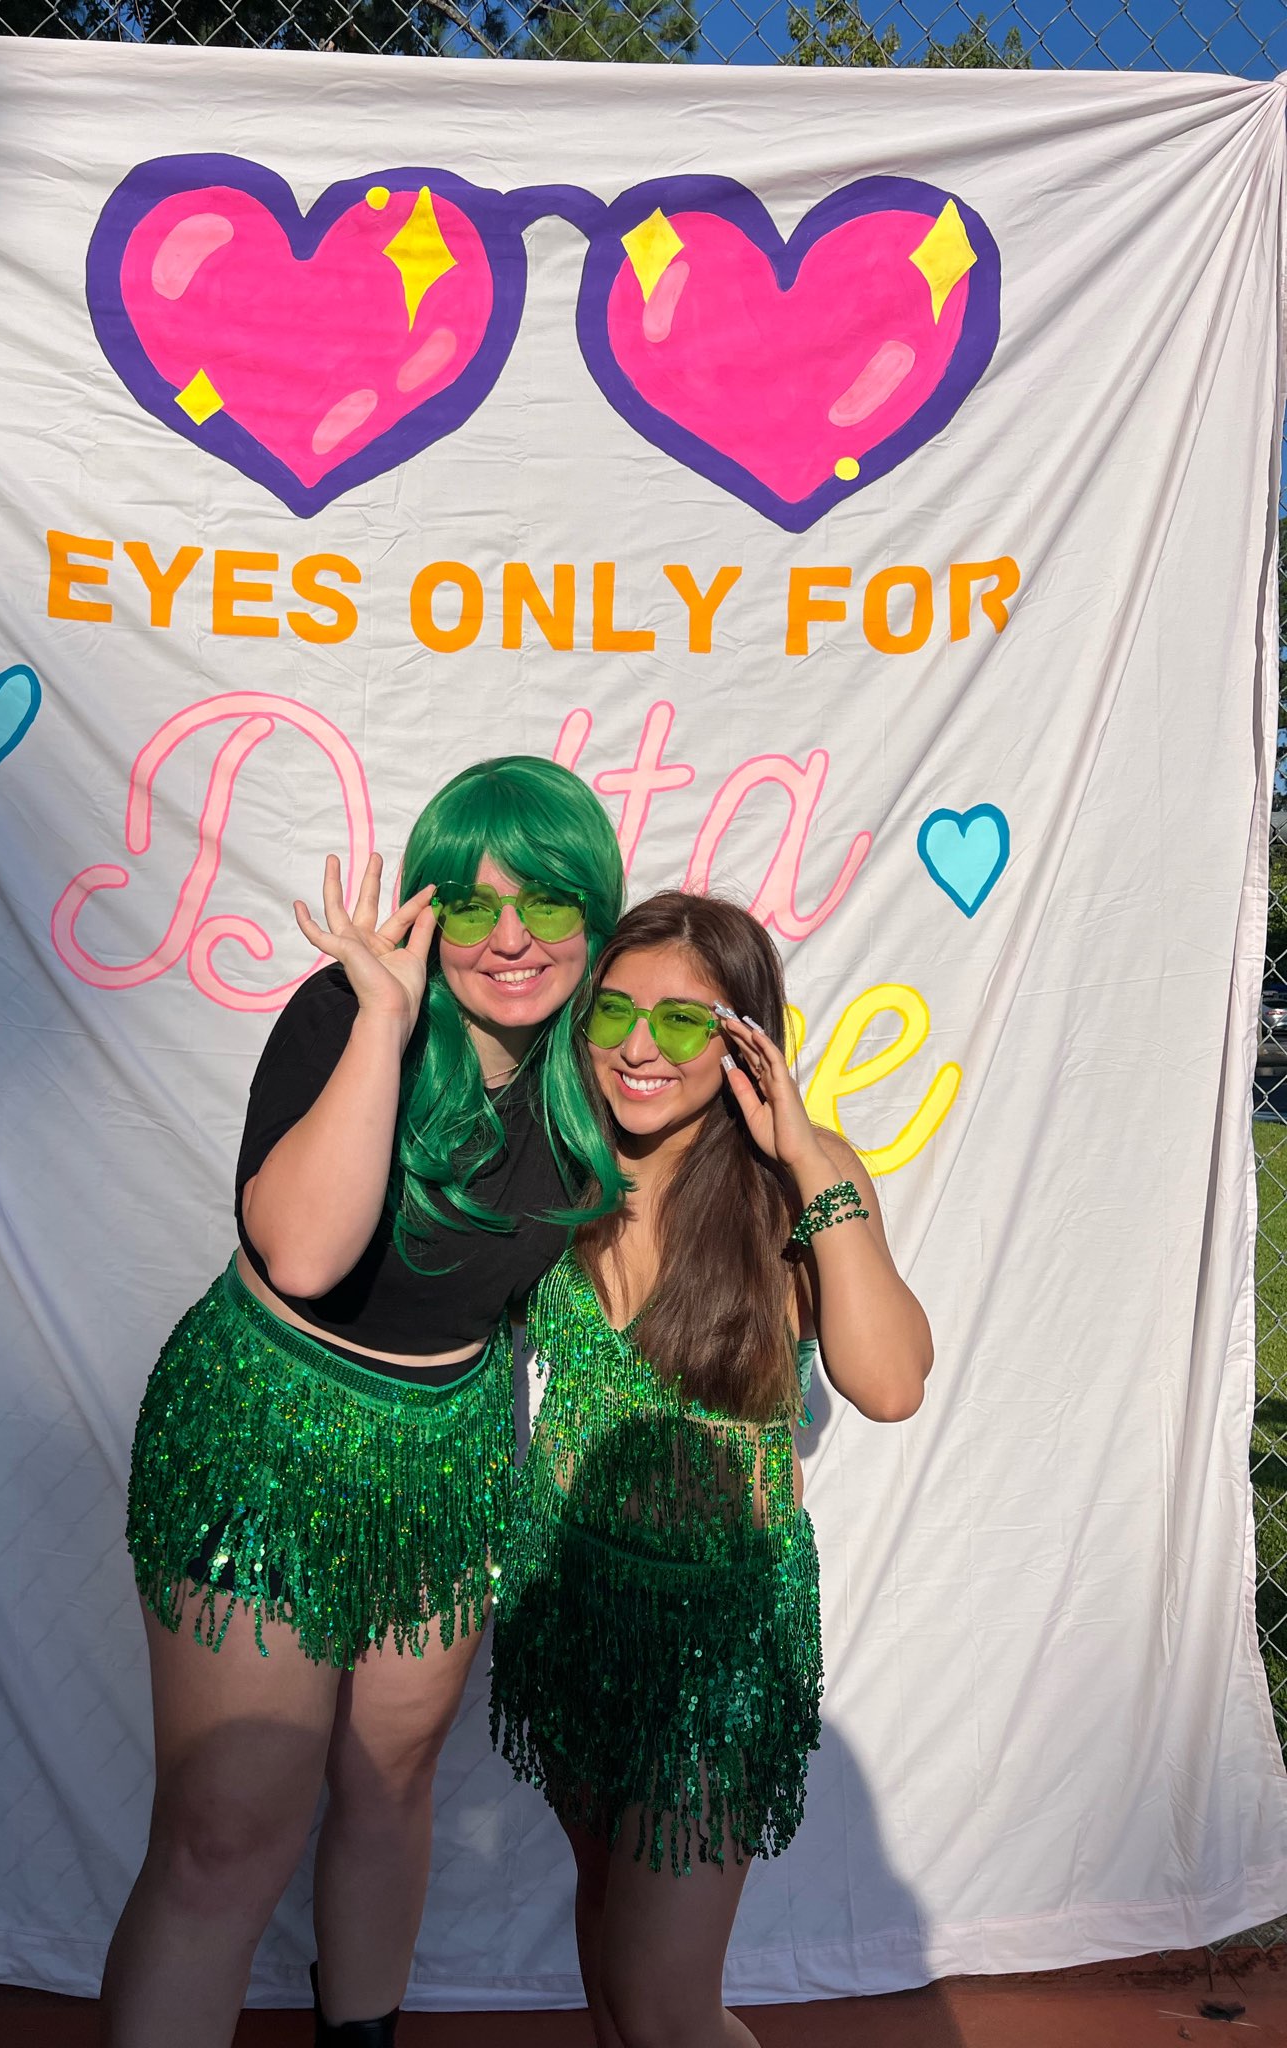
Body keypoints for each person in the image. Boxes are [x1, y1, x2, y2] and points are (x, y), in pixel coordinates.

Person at [100, 757, 627, 2048]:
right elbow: (302, 1254)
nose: (512, 937)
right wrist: (386, 1023)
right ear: (428, 908)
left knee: (390, 1784)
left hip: (447, 1453)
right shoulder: (349, 1007)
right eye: (476, 902)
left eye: (549, 903)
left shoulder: (595, 1074)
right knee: (230, 1829)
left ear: (596, 914)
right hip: (265, 1435)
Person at [490, 891, 933, 2048]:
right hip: (569, 1603)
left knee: (665, 2001)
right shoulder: (565, 1161)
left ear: (745, 1036)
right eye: (615, 1011)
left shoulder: (798, 1182)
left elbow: (890, 1381)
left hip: (722, 1637)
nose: (640, 1046)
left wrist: (805, 1150)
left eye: (683, 1020)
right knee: (606, 1930)